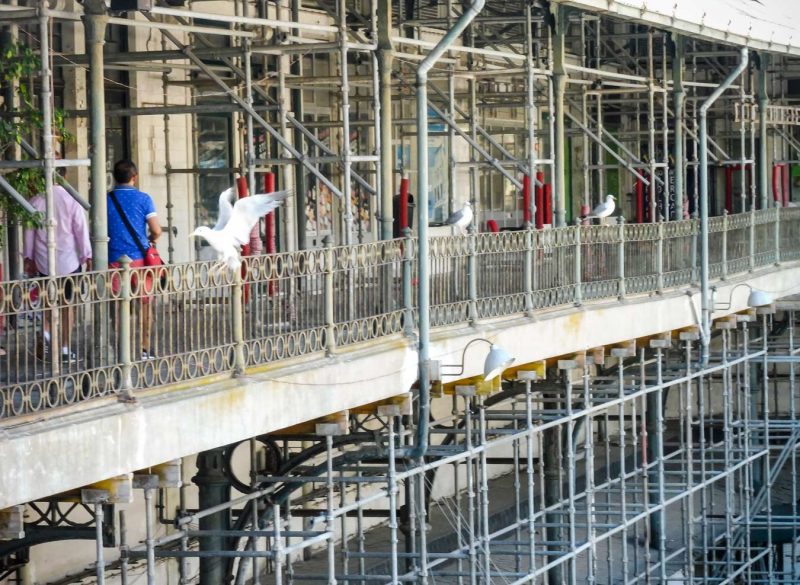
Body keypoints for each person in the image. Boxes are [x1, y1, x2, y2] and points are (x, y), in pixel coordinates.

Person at [24, 184, 92, 361]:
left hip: (44, 261)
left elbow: (29, 233)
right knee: (67, 305)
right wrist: (87, 256)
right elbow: (80, 230)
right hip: (69, 261)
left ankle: (46, 332)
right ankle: (64, 349)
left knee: (48, 301)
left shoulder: (36, 201)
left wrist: (29, 258)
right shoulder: (71, 200)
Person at [107, 159, 162, 360]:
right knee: (145, 304)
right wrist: (150, 239)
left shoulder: (106, 199)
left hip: (113, 259)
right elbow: (156, 230)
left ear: (114, 177)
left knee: (118, 306)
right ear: (134, 177)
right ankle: (144, 349)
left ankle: (122, 350)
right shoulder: (144, 199)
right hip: (139, 260)